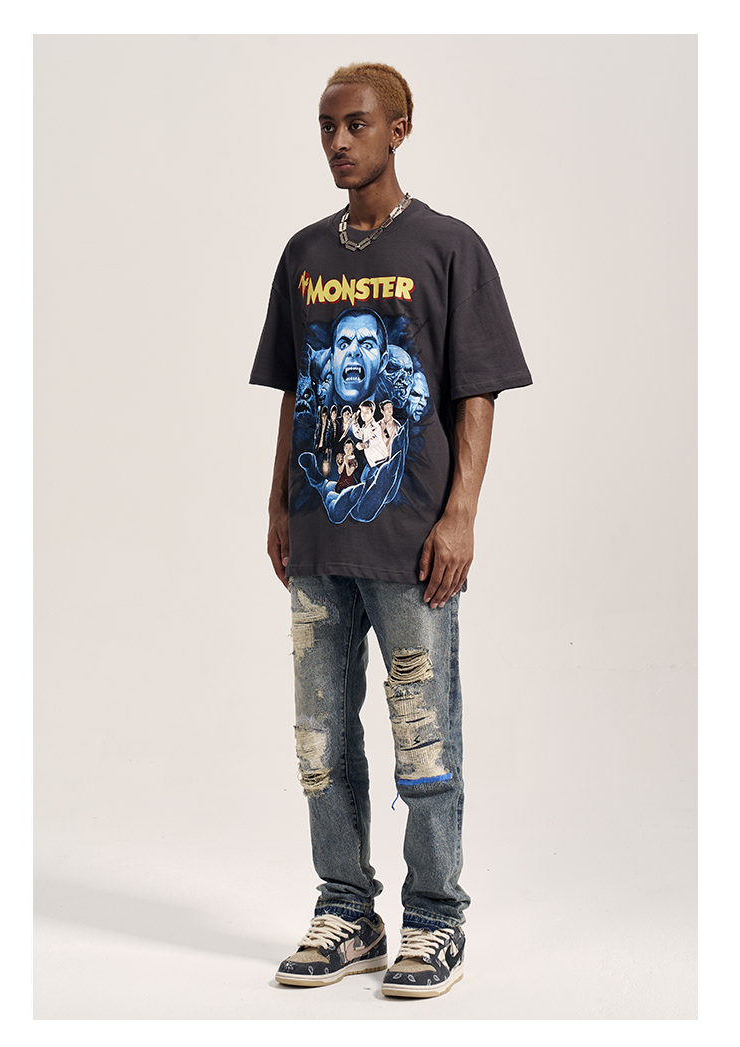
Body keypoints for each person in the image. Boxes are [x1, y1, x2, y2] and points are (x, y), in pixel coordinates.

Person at [250, 61, 532, 999]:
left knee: (424, 739)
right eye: (326, 126)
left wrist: (461, 515)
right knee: (320, 743)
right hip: (318, 540)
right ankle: (347, 910)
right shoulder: (303, 253)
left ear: (400, 128)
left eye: (357, 124)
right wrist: (277, 501)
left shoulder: (449, 246)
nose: (338, 142)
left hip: (413, 546)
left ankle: (436, 917)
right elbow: (296, 386)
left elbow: (477, 389)